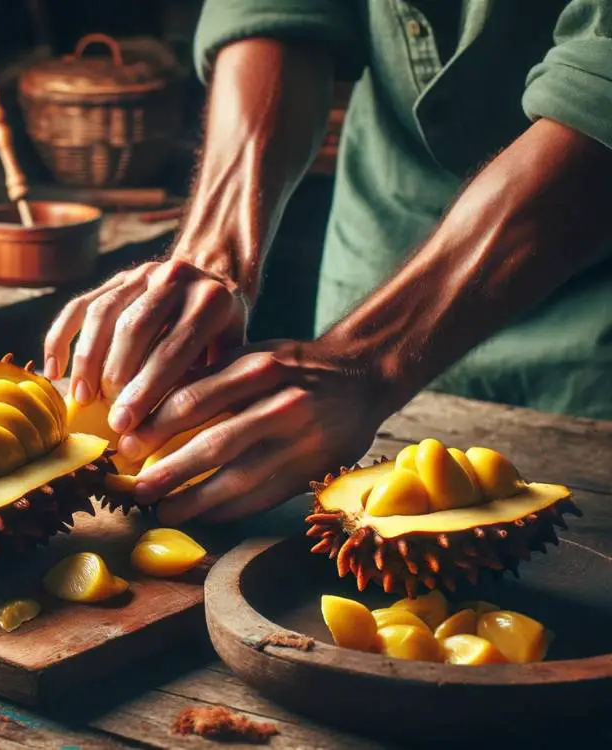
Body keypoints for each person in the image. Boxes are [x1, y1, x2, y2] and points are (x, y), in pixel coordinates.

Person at [42, 1, 612, 527]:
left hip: (590, 328)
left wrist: (373, 354)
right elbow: (275, 10)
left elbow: (599, 82)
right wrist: (214, 251)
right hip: (385, 228)